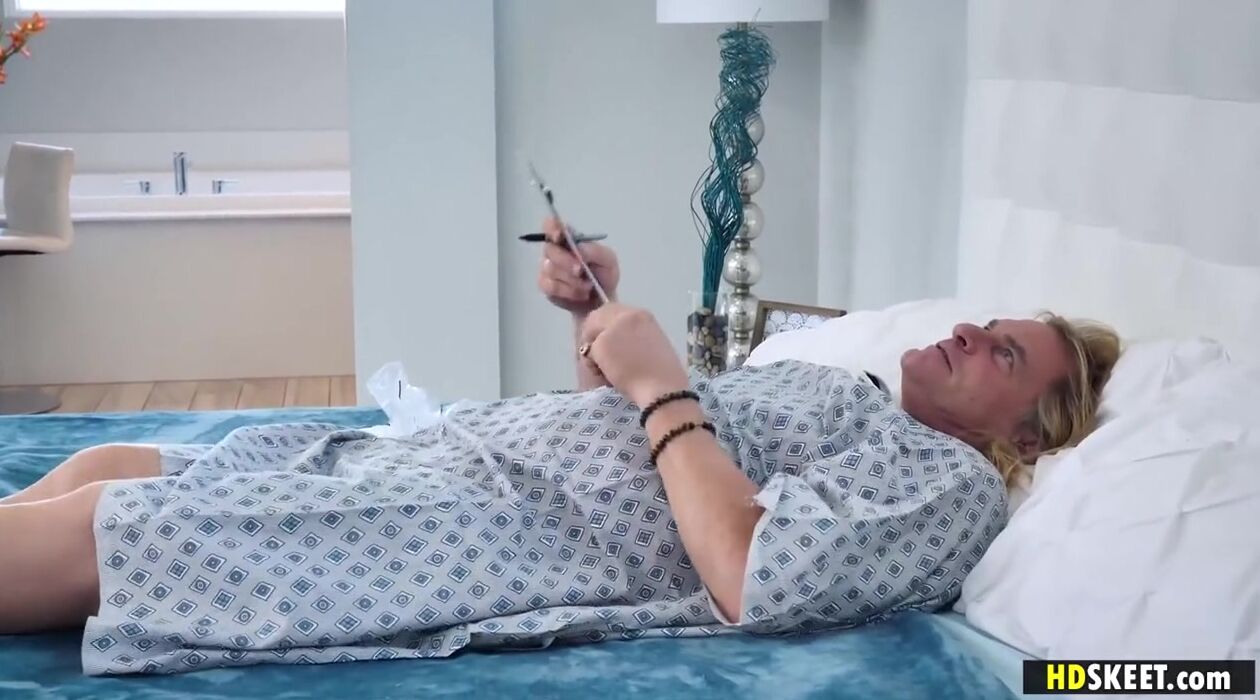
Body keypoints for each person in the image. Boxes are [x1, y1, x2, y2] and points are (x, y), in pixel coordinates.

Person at [0, 218, 1121, 675]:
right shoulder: (849, 387)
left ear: (1029, 433)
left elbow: (752, 570)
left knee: (101, 532)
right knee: (112, 468)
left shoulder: (949, 484)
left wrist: (659, 381)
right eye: (988, 322)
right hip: (440, 461)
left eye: (1004, 354)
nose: (969, 332)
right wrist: (596, 322)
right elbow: (651, 448)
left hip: (474, 532)